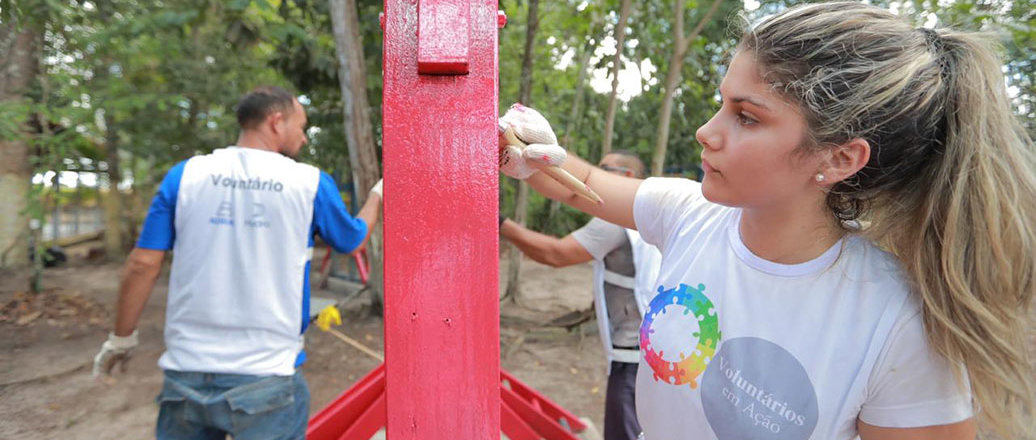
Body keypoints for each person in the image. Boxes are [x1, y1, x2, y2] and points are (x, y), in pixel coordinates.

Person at [497, 3, 1036, 439]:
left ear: (839, 158)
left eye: (746, 116)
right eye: (720, 104)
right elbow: (568, 175)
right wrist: (526, 149)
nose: (707, 132)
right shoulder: (686, 213)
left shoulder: (900, 325)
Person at [92, 85, 384, 440]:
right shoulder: (308, 184)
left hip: (186, 374)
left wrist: (120, 339)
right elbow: (352, 240)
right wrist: (377, 196)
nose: (304, 138)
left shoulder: (185, 176)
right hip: (267, 375)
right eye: (301, 126)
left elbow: (142, 264)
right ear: (276, 122)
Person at [499, 151, 661, 440]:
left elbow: (556, 253)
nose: (594, 176)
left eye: (603, 170)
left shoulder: (616, 222)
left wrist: (500, 223)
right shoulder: (652, 217)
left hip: (631, 358)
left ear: (626, 178)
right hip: (652, 351)